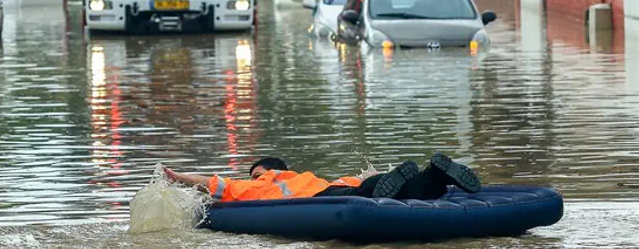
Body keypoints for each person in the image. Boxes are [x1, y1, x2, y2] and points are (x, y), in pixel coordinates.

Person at [162, 152, 481, 202]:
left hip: (319, 201)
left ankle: (408, 180)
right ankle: (437, 174)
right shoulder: (306, 175)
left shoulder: (260, 182)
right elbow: (355, 180)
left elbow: (212, 183)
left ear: (262, 171)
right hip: (332, 187)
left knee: (369, 193)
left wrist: (177, 177)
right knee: (389, 187)